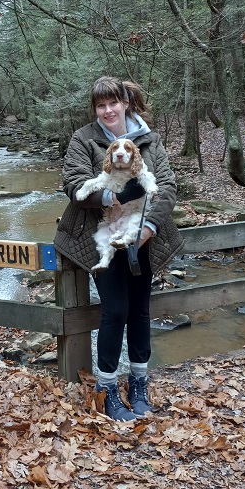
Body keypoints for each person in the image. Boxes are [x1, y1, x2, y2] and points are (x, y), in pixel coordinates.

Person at [54, 76, 184, 421]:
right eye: (101, 105)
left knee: (140, 309)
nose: (108, 110)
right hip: (101, 235)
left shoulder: (150, 140)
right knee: (115, 310)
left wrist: (150, 226)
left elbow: (167, 185)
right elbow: (74, 183)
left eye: (113, 102)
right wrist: (114, 196)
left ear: (126, 102)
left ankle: (139, 383)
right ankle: (107, 387)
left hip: (145, 237)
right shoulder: (84, 139)